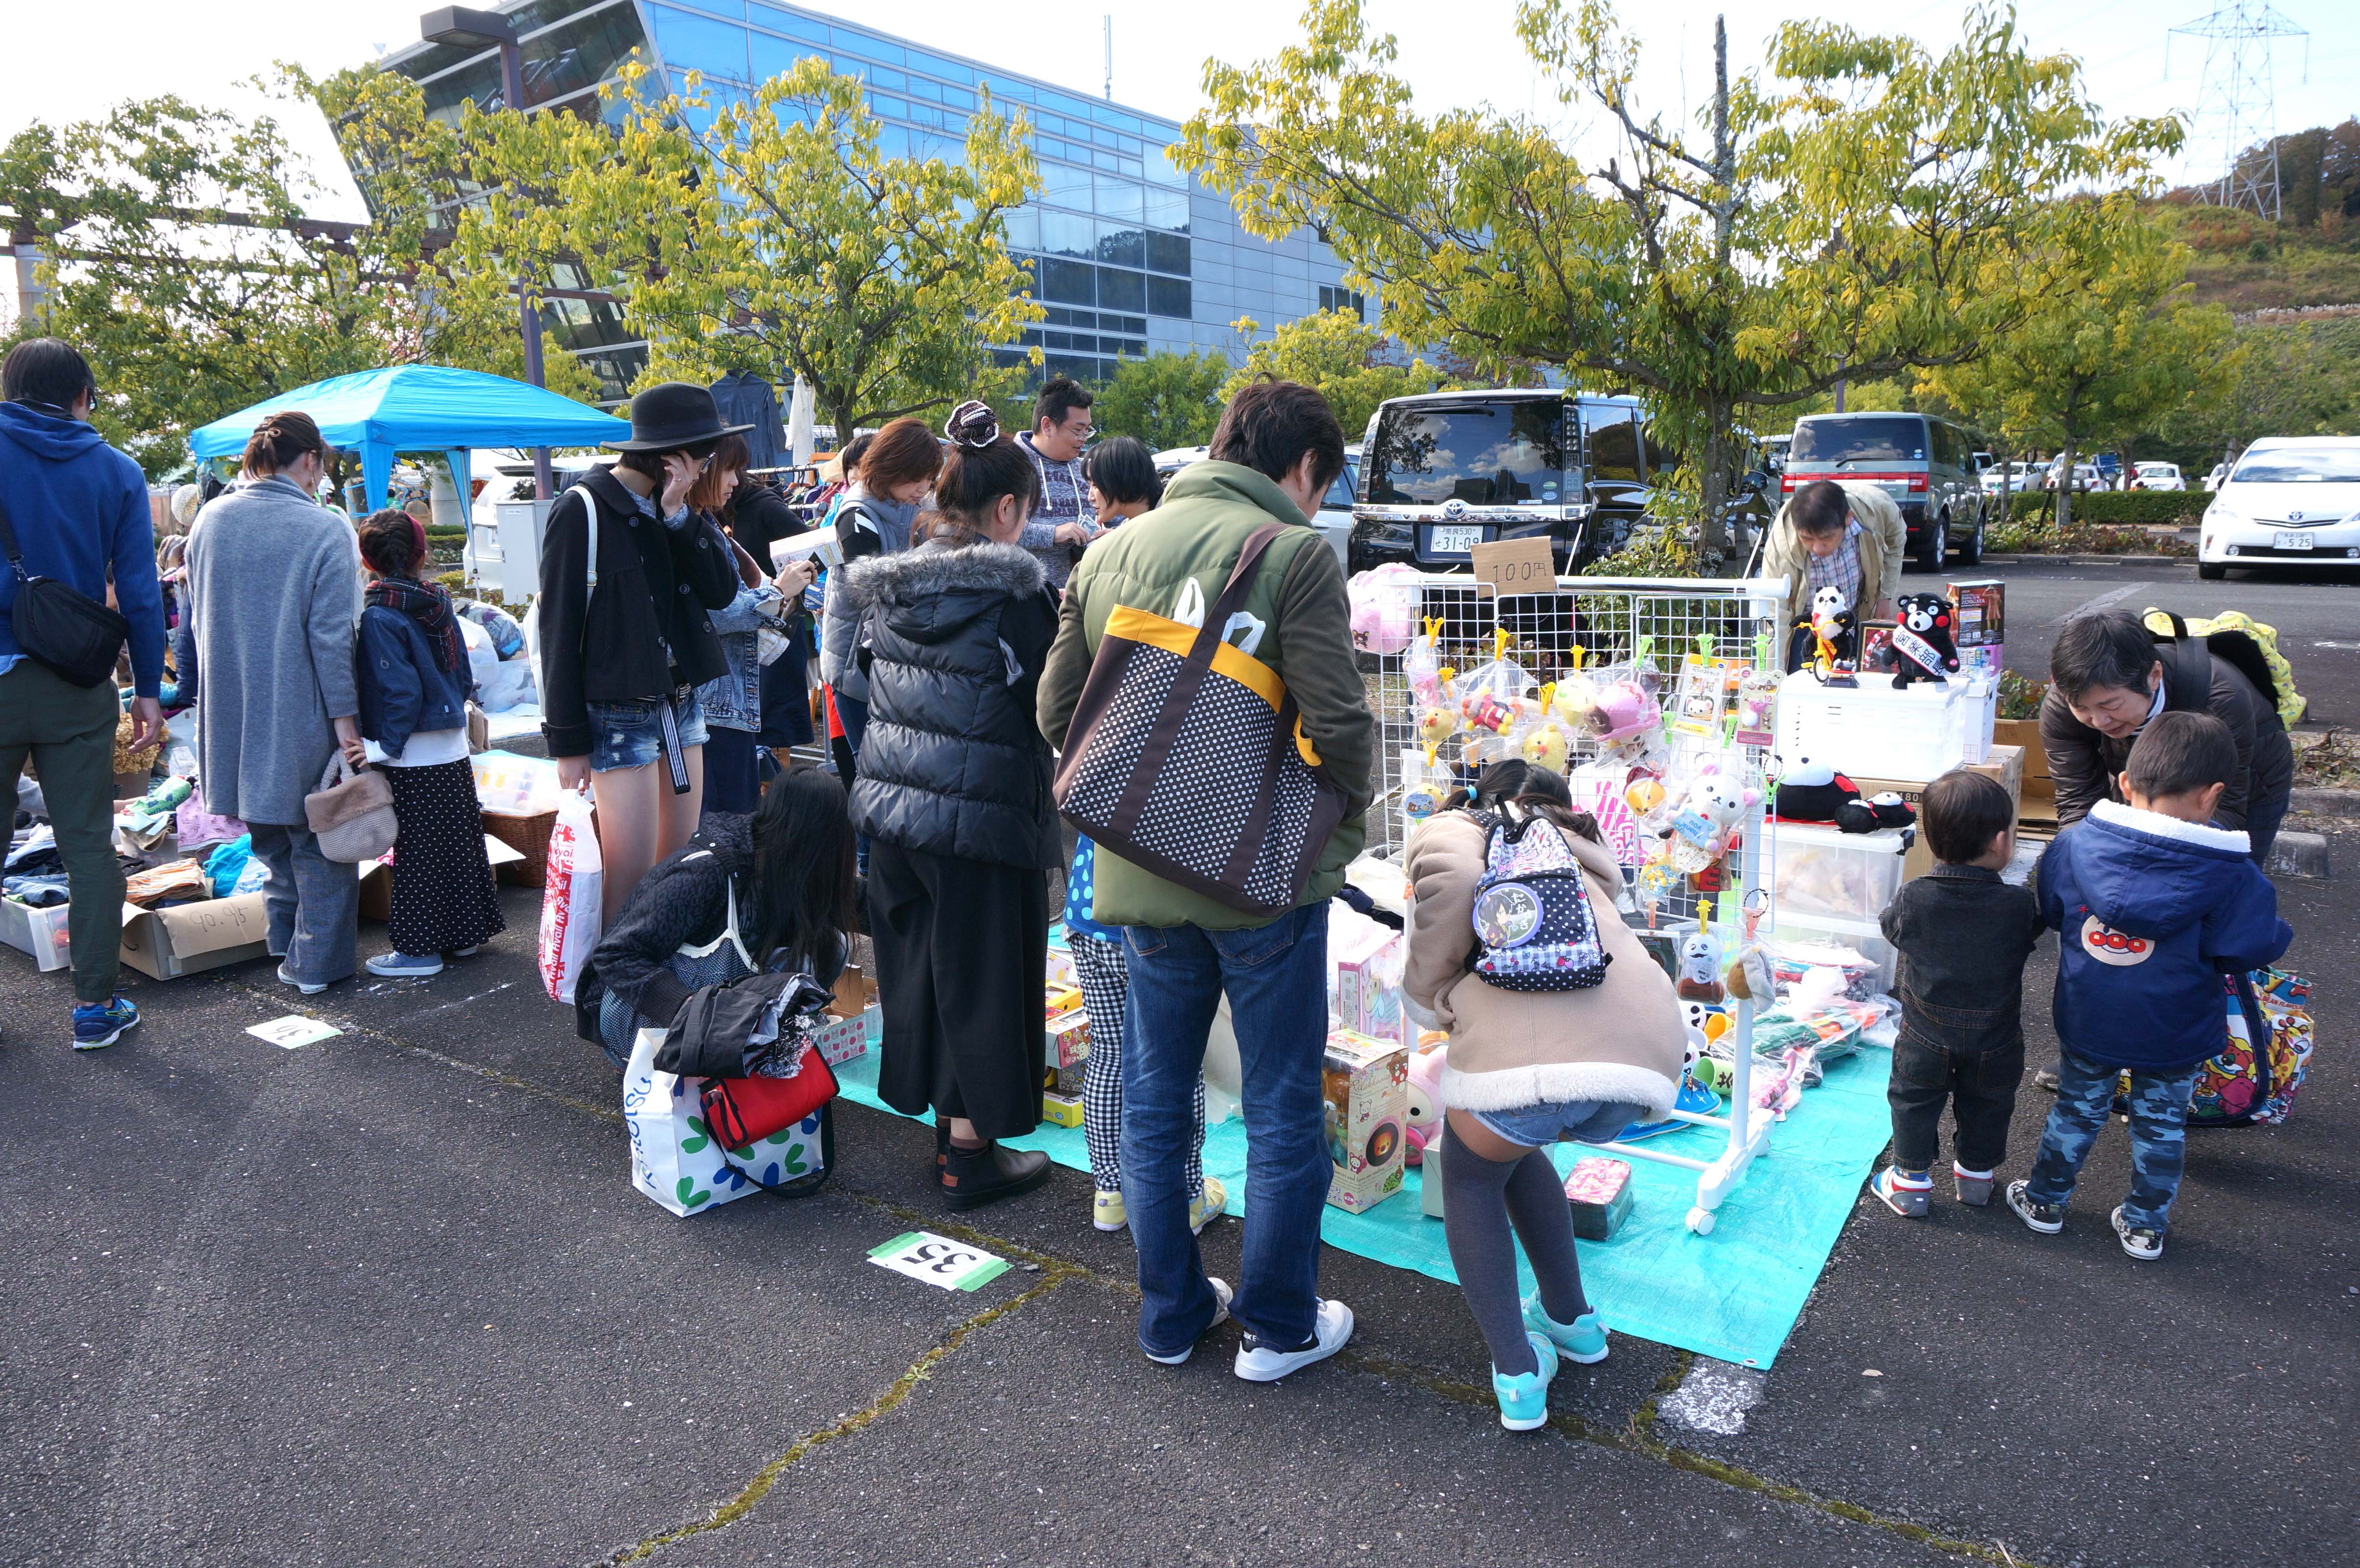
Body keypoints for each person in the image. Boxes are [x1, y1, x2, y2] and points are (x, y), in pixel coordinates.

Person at [1040, 378, 1377, 1380]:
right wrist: (1335, 828)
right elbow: (1343, 725)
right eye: (1323, 482)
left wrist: (1146, 806)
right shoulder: (1292, 554)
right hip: (1260, 880)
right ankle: (1278, 1328)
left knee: (1154, 1096)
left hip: (1137, 877)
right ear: (1301, 467)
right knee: (1277, 1104)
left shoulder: (1106, 551)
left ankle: (1171, 1317)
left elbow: (1059, 714)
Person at [1400, 760, 1686, 1430]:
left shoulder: (1461, 829)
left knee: (1470, 1175)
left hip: (1532, 1066)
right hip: (1641, 1062)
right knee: (1518, 1151)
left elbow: (1456, 882)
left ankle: (1519, 1374)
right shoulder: (1580, 849)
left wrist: (1427, 997)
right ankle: (1573, 1321)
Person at [844, 400, 1062, 1212]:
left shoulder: (892, 588)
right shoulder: (1016, 598)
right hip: (979, 818)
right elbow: (1056, 705)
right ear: (1007, 509)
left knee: (923, 976)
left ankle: (946, 1134)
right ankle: (969, 1154)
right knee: (982, 981)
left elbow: (863, 680)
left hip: (893, 811)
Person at [2009, 712, 2291, 1261]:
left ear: (2124, 783)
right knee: (2160, 1125)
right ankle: (2143, 1225)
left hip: (2090, 1015)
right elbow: (2243, 950)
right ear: (2212, 797)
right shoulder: (2232, 875)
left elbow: (2052, 908)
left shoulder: (2072, 847)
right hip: (2176, 1030)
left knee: (2076, 1109)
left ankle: (2045, 1202)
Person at [583, 767, 856, 1197]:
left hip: (716, 1011)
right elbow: (615, 956)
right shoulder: (708, 874)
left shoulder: (782, 867)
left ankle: (748, 1054)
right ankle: (714, 1059)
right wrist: (697, 1015)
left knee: (831, 943)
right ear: (816, 849)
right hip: (636, 1019)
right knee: (729, 961)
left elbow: (858, 905)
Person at [0, 338, 164, 1048]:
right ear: (81, 397)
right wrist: (149, 691)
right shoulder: (117, 472)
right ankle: (95, 1009)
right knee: (88, 847)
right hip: (76, 683)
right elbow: (140, 593)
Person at [537, 382, 744, 922]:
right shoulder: (583, 508)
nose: (708, 468)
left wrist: (678, 516)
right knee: (627, 886)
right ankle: (608, 1000)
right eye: (703, 456)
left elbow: (723, 591)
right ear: (671, 456)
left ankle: (658, 994)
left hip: (680, 702)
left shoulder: (675, 511)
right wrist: (567, 743)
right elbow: (558, 629)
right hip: (617, 713)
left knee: (675, 872)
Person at [181, 411, 368, 996]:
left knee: (270, 841)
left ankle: (287, 947)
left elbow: (194, 625)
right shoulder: (324, 528)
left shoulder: (208, 521)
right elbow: (333, 638)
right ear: (310, 460)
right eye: (322, 466)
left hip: (229, 715)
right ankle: (315, 967)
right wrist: (348, 728)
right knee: (322, 845)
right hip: (300, 712)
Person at [1871, 769, 2045, 1217]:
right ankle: (1976, 1179)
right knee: (1989, 1104)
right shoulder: (2017, 906)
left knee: (1914, 1099)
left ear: (1933, 839)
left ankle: (1909, 1182)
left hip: (1926, 1035)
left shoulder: (1914, 897)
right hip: (1997, 1037)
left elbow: (1892, 930)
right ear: (2001, 842)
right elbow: (2032, 932)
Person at [351, 510, 505, 977]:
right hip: (452, 745)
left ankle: (418, 952)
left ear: (367, 560)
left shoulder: (380, 615)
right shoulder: (437, 601)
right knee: (458, 845)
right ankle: (463, 938)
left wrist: (381, 749)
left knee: (417, 853)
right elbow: (462, 675)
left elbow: (400, 693)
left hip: (414, 753)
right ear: (422, 556)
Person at [2039, 608, 2293, 864]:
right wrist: (2076, 865)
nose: (2098, 721)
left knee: (2229, 876)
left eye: (2111, 706)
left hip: (2250, 778)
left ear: (2154, 676)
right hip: (2144, 775)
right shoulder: (2063, 705)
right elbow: (2078, 802)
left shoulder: (2220, 697)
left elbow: (2226, 812)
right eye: (2082, 708)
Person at [1067, 831, 1226, 1234]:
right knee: (1177, 1063)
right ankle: (1188, 1196)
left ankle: (1110, 1194)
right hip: (1152, 923)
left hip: (1089, 912)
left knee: (1108, 1052)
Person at [687, 434, 810, 818]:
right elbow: (713, 614)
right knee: (727, 823)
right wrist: (776, 589)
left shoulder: (700, 522)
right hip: (716, 703)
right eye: (729, 470)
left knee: (732, 817)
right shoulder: (690, 527)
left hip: (725, 699)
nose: (736, 481)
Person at [819, 418, 942, 795]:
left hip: (898, 662)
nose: (923, 488)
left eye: (929, 479)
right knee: (870, 783)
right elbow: (876, 590)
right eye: (915, 478)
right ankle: (863, 857)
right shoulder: (856, 515)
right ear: (890, 467)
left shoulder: (920, 504)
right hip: (858, 667)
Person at [1757, 477, 1906, 637]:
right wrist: (1774, 661)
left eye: (1826, 538)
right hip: (1806, 625)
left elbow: (1895, 543)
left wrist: (1884, 596)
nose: (1818, 548)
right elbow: (1775, 613)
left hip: (1853, 616)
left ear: (1848, 518)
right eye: (1807, 539)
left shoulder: (1878, 508)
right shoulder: (1782, 545)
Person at [1015, 376, 1097, 589]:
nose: (1084, 438)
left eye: (1087, 431)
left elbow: (1115, 518)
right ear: (1048, 425)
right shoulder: (1011, 466)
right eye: (1077, 431)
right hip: (1031, 599)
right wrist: (1054, 534)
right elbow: (996, 529)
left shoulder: (1086, 468)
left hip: (1081, 599)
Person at [1084, 434, 1163, 526]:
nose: (1090, 498)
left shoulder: (1164, 525)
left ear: (1120, 480)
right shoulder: (1138, 526)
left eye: (1095, 485)